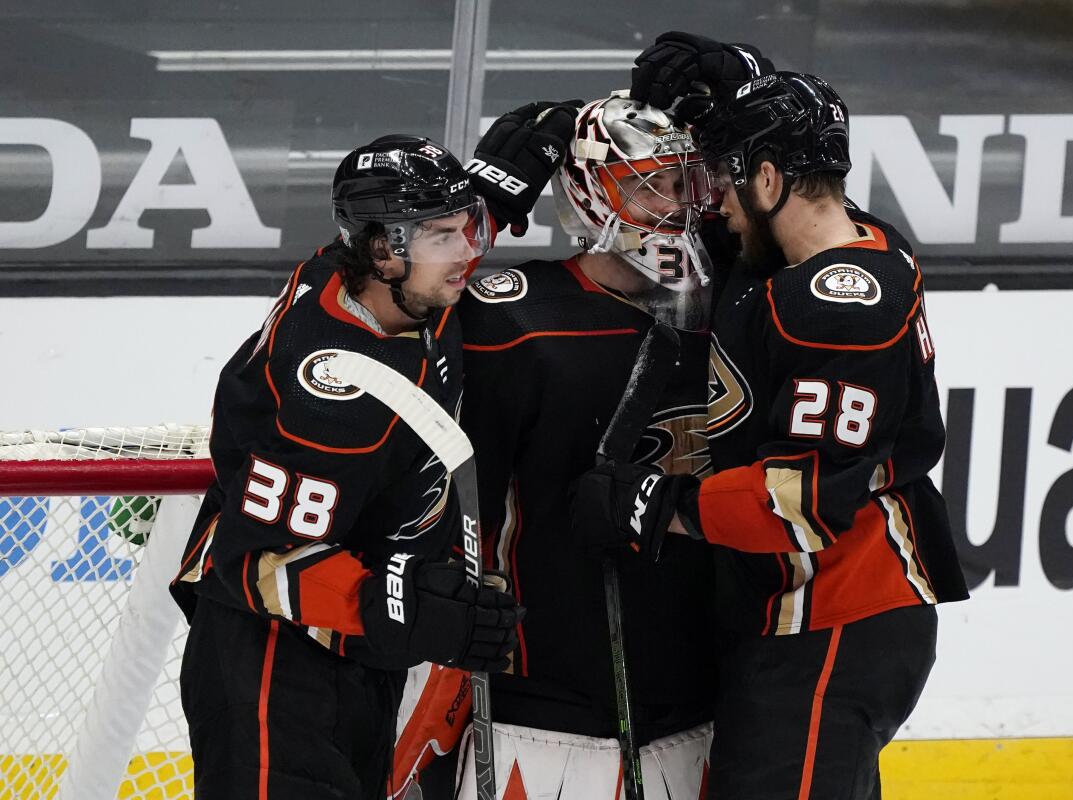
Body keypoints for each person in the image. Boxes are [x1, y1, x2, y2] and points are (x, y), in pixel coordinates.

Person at [572, 34, 970, 800]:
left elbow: (805, 498)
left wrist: (656, 507)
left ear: (768, 177)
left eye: (727, 179)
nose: (713, 203)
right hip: (801, 617)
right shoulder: (825, 252)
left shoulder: (839, 303)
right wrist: (742, 84)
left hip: (835, 616)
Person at [169, 102, 577, 800]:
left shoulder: (386, 283)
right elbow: (254, 562)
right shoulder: (329, 396)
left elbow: (422, 231)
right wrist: (399, 606)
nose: (470, 253)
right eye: (446, 236)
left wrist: (494, 188)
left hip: (359, 658)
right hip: (274, 668)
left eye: (469, 227)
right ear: (384, 251)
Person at [389, 90, 728, 800]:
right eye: (646, 185)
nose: (675, 207)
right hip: (542, 709)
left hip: (697, 698)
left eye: (685, 183)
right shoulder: (506, 319)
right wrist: (473, 208)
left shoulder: (734, 308)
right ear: (585, 194)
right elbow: (368, 321)